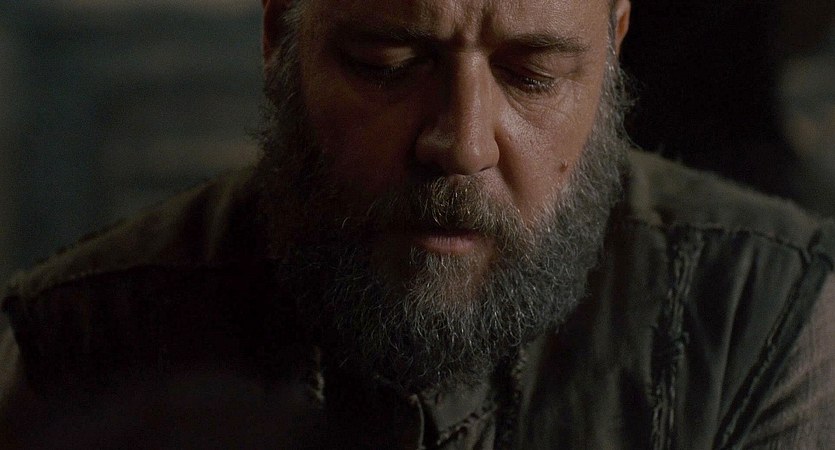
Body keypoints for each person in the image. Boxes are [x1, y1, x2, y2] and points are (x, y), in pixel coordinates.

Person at [0, 0, 833, 448]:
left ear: (611, 47)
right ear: (279, 35)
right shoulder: (82, 340)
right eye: (387, 65)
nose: (461, 145)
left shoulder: (757, 315)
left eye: (533, 74)